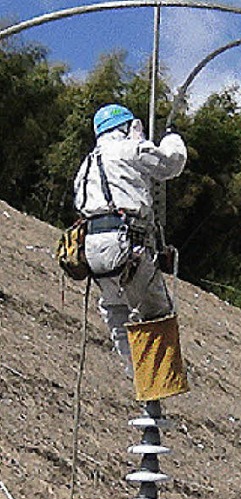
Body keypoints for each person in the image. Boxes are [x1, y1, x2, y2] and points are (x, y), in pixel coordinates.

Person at [73, 103, 188, 375]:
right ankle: (158, 382)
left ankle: (137, 376)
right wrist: (170, 137)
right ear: (125, 127)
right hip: (126, 243)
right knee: (156, 311)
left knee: (116, 310)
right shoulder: (128, 148)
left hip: (93, 248)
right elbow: (170, 164)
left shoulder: (87, 163)